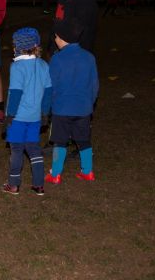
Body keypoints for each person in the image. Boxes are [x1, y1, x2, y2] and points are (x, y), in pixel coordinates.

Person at [45, 19, 99, 185]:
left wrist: (47, 107)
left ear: (62, 38)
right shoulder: (89, 58)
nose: (55, 40)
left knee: (59, 142)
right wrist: (89, 103)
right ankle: (87, 171)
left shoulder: (57, 59)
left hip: (61, 109)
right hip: (83, 109)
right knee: (84, 141)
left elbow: (50, 85)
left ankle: (55, 174)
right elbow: (94, 84)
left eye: (56, 37)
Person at [1, 28, 52, 196]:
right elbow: (48, 92)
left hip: (18, 118)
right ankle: (39, 185)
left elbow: (15, 93)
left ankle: (13, 184)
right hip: (35, 118)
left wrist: (9, 116)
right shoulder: (44, 65)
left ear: (19, 46)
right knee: (34, 149)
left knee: (16, 150)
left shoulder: (17, 67)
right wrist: (45, 113)